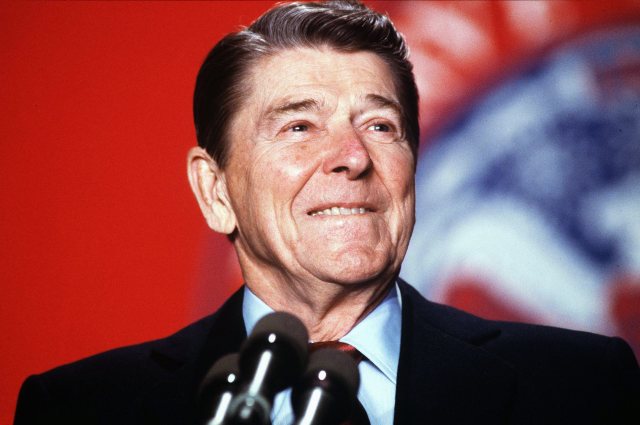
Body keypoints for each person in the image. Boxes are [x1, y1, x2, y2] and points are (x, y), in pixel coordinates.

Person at [14, 1, 640, 424]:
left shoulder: (580, 389)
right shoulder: (84, 408)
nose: (351, 158)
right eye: (298, 125)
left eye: (379, 124)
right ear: (215, 190)